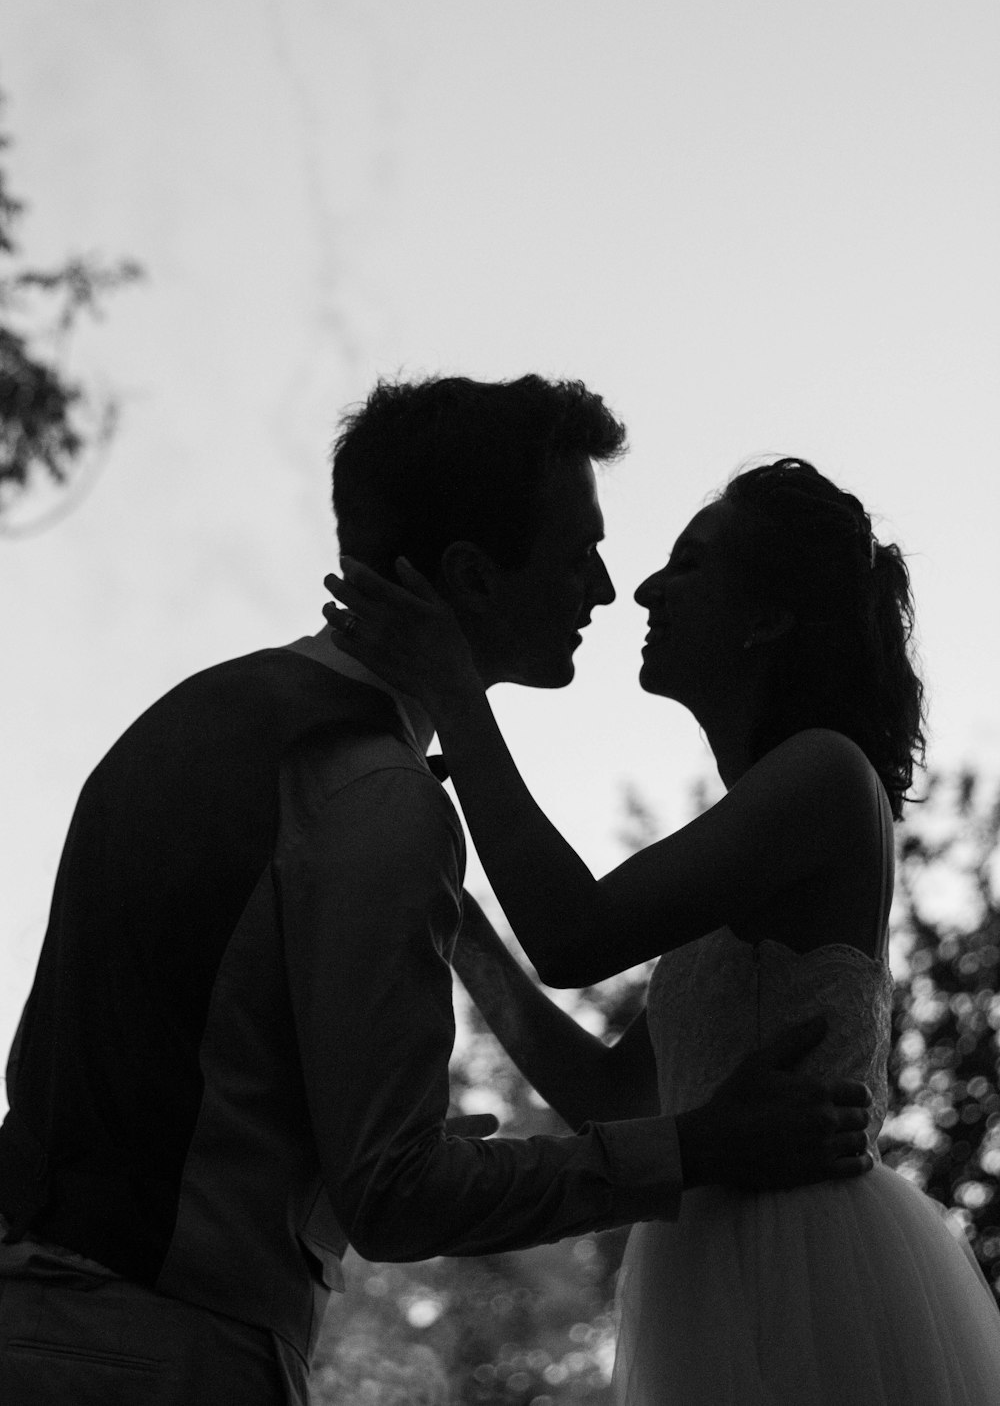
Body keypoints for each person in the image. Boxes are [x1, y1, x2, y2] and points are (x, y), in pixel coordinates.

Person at [0, 380, 872, 1405]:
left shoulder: (193, 718)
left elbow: (192, 1071)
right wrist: (694, 1147)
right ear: (471, 575)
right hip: (164, 1358)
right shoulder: (377, 793)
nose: (607, 588)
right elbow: (397, 1195)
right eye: (577, 550)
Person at [324, 451, 1000, 1404]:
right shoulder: (760, 836)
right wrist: (458, 922)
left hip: (804, 1273)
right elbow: (611, 1098)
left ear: (767, 617)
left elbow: (573, 934)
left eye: (689, 564)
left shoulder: (826, 776)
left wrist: (453, 694)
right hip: (724, 1274)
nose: (644, 588)